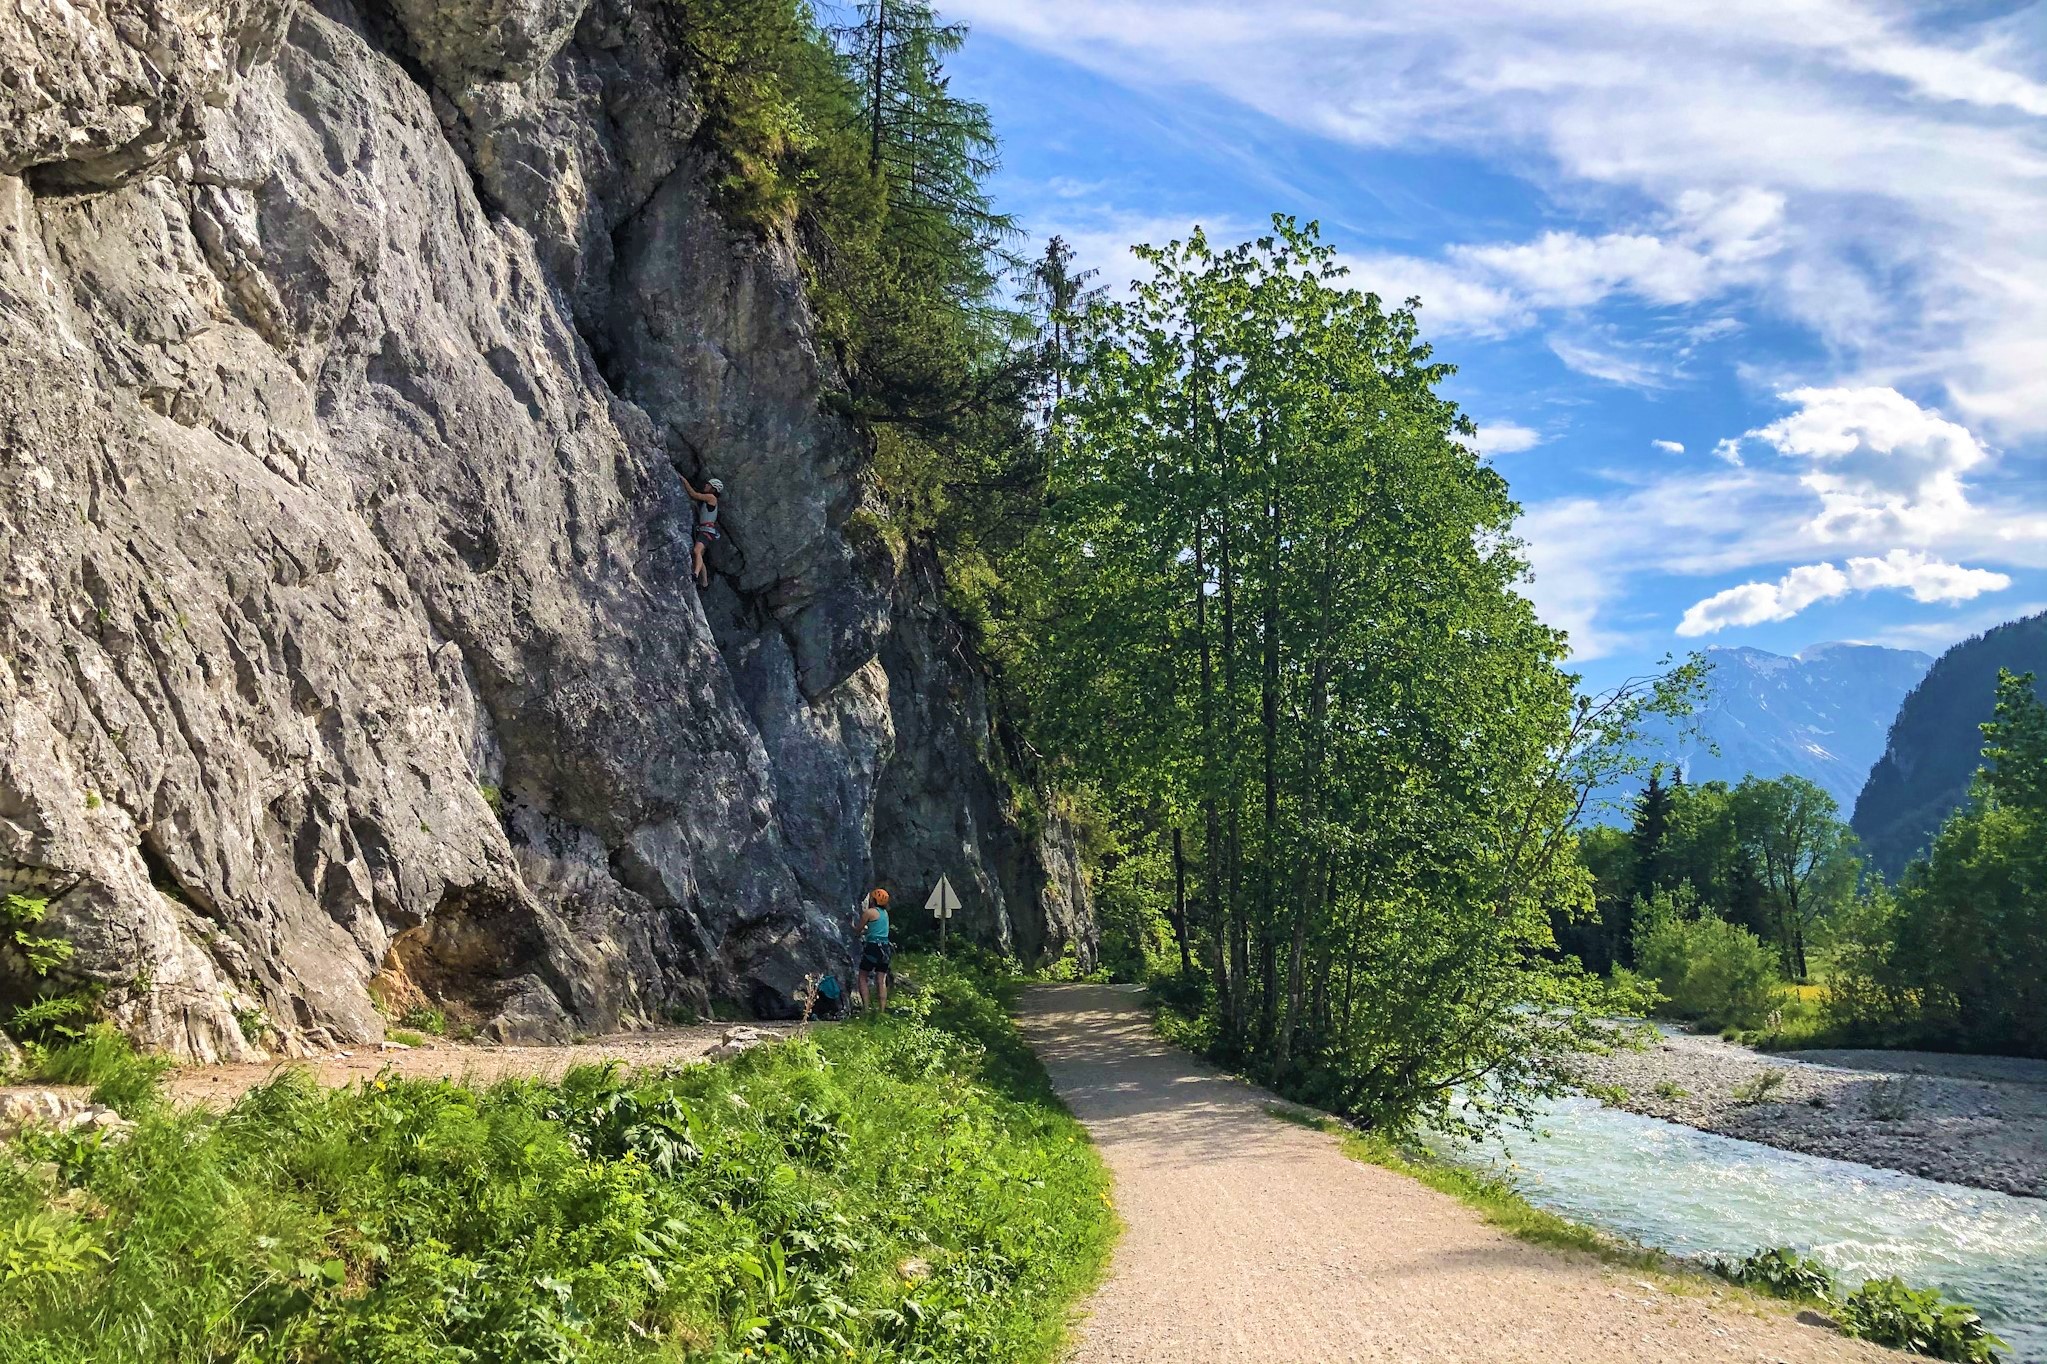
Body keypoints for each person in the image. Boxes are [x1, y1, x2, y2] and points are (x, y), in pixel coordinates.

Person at [856, 888, 893, 1015]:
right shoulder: (885, 914)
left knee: (862, 976)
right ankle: (882, 1010)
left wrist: (855, 929)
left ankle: (866, 1009)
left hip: (873, 947)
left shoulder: (869, 913)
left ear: (873, 900)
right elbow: (877, 929)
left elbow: (858, 929)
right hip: (886, 948)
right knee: (881, 979)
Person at [682, 475, 723, 587]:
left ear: (713, 489)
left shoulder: (711, 498)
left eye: (708, 485)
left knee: (696, 551)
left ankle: (695, 574)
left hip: (706, 531)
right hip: (706, 531)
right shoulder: (710, 499)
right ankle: (704, 583)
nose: (706, 485)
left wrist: (684, 480)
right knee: (698, 556)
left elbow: (694, 495)